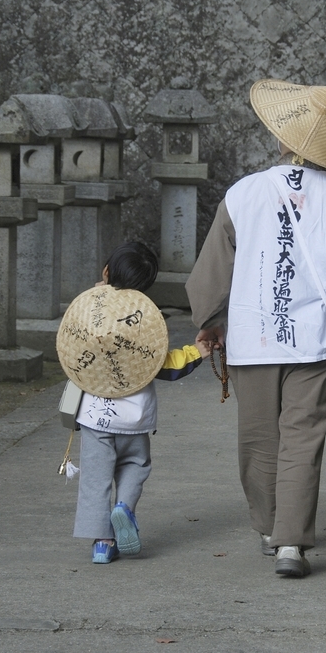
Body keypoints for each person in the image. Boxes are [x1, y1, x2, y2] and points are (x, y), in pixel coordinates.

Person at [186, 79, 326, 578]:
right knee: (302, 439)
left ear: (281, 137)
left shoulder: (243, 194)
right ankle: (291, 544)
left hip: (253, 337)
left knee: (258, 438)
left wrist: (210, 322)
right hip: (315, 341)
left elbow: (212, 272)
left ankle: (267, 527)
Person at [58, 242, 212, 564]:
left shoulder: (87, 314)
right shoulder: (144, 322)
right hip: (134, 418)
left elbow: (70, 348)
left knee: (96, 480)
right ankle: (124, 507)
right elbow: (166, 366)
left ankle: (102, 544)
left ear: (105, 271)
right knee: (135, 465)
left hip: (95, 417)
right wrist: (197, 352)